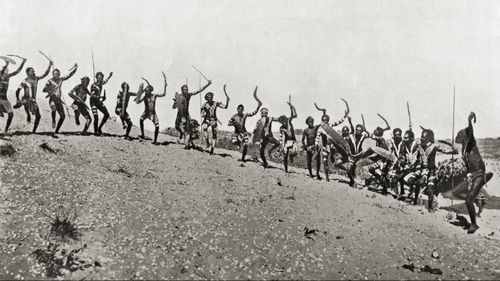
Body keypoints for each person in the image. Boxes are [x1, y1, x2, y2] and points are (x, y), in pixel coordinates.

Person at [455, 113, 486, 233]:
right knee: (471, 196)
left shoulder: (471, 142)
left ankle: (474, 224)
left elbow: (470, 132)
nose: (458, 136)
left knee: (468, 200)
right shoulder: (464, 148)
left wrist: (469, 121)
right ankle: (480, 204)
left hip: (479, 174)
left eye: (460, 134)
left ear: (465, 136)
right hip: (471, 176)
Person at [417, 127, 457, 212]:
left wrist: (453, 151)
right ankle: (415, 201)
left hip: (432, 170)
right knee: (417, 183)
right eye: (421, 136)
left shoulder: (434, 146)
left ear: (428, 138)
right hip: (422, 169)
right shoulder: (419, 146)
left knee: (430, 188)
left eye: (424, 137)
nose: (422, 138)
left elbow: (445, 151)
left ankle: (430, 207)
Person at [14, 58, 53, 133]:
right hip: (26, 99)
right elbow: (17, 90)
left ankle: (34, 130)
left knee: (38, 116)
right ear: (28, 73)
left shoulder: (36, 79)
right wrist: (17, 99)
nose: (34, 72)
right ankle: (24, 109)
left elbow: (45, 74)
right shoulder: (24, 81)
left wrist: (49, 65)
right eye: (32, 71)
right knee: (25, 102)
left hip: (33, 100)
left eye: (34, 71)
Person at [172, 80, 211, 149]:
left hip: (186, 115)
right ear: (182, 90)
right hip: (179, 115)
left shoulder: (188, 95)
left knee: (188, 130)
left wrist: (207, 85)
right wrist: (176, 102)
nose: (186, 90)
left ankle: (187, 145)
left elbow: (199, 90)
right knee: (177, 127)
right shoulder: (179, 96)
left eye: (187, 89)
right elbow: (174, 107)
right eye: (185, 89)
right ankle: (185, 138)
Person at [227, 86, 261, 162]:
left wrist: (258, 107)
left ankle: (243, 158)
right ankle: (239, 144)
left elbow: (253, 113)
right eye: (239, 109)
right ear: (237, 109)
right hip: (236, 133)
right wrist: (233, 123)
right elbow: (228, 123)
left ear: (243, 110)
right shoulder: (234, 116)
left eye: (242, 109)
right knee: (234, 142)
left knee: (246, 145)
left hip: (244, 132)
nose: (240, 110)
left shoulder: (245, 115)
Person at [42, 64, 78, 134]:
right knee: (53, 107)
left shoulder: (61, 79)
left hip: (58, 100)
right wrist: (49, 90)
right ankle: (53, 120)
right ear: (53, 74)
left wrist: (75, 69)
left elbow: (69, 75)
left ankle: (57, 130)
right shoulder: (50, 81)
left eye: (57, 74)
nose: (56, 75)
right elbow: (44, 89)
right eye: (55, 74)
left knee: (63, 116)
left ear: (59, 74)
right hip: (52, 98)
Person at [137, 73, 167, 144]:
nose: (146, 91)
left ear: (150, 91)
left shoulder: (154, 95)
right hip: (146, 112)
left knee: (157, 126)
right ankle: (143, 135)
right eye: (145, 90)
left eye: (147, 90)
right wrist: (139, 94)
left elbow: (163, 94)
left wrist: (165, 87)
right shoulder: (144, 97)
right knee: (141, 120)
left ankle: (155, 140)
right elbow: (138, 102)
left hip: (153, 114)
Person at [0, 55, 26, 132]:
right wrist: (6, 64)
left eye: (8, 71)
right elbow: (2, 70)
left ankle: (5, 130)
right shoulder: (0, 75)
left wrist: (23, 63)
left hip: (4, 99)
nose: (7, 72)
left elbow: (17, 71)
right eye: (5, 70)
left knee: (11, 115)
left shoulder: (8, 76)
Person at [201, 85, 229, 154]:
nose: (210, 98)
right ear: (206, 98)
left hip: (214, 120)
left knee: (214, 134)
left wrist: (227, 101)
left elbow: (225, 107)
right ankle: (207, 142)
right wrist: (203, 114)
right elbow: (202, 113)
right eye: (208, 97)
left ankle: (212, 149)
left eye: (211, 97)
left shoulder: (215, 103)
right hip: (207, 119)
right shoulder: (204, 104)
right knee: (204, 128)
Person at [277, 100, 298, 173]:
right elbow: (281, 136)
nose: (283, 122)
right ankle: (286, 169)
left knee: (295, 152)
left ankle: (291, 156)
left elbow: (295, 115)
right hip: (286, 142)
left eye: (284, 121)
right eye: (282, 122)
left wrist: (292, 107)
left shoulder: (289, 121)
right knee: (285, 155)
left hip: (293, 140)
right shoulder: (281, 127)